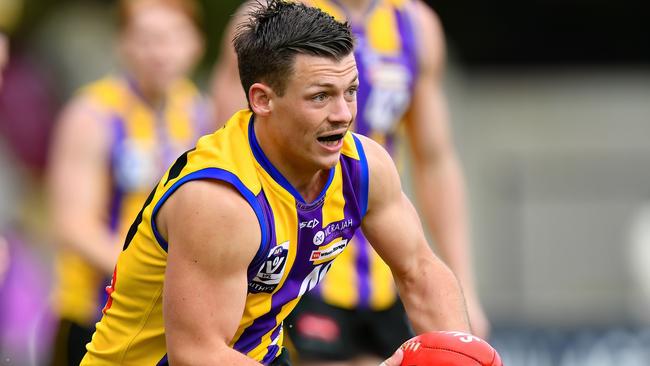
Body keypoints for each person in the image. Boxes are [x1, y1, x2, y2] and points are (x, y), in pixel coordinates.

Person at [81, 1, 470, 365]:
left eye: (350, 92)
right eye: (320, 97)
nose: (343, 115)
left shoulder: (363, 165)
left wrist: (460, 349)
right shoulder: (222, 201)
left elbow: (420, 270)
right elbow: (197, 355)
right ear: (262, 100)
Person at [211, 0, 489, 364]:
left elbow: (435, 160)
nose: (342, 113)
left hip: (384, 260)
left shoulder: (415, 25)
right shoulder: (272, 22)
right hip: (298, 262)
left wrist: (464, 283)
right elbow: (230, 149)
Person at [47, 0, 208, 364]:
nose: (159, 53)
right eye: (147, 39)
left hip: (167, 319)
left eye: (171, 38)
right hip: (94, 315)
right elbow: (72, 226)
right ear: (123, 44)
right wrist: (152, 272)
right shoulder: (92, 115)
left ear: (196, 44)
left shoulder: (198, 111)